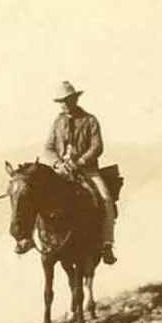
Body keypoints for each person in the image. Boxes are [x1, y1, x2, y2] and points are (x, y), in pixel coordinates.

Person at [42, 81, 117, 265]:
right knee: (40, 197)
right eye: (61, 101)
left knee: (106, 199)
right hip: (62, 171)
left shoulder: (90, 120)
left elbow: (97, 146)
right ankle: (36, 240)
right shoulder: (57, 123)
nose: (64, 104)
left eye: (67, 100)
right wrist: (58, 164)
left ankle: (107, 244)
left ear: (75, 99)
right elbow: (48, 148)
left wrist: (81, 161)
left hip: (87, 170)